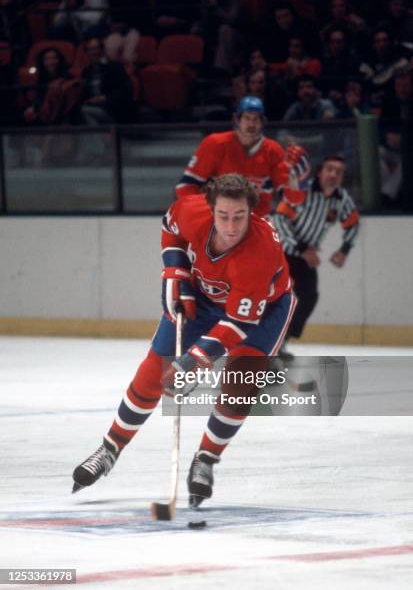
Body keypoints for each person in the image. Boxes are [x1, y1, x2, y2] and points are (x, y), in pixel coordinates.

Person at [72, 174, 296, 506]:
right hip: (204, 298)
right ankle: (110, 448)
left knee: (240, 382)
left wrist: (194, 360)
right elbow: (170, 227)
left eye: (239, 216)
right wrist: (175, 271)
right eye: (223, 216)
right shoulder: (190, 210)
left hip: (263, 313)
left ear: (252, 211)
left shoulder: (260, 252)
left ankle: (206, 458)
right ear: (211, 209)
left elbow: (237, 325)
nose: (231, 226)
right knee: (152, 373)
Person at [274, 154, 360, 358]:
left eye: (339, 172)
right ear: (320, 171)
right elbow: (280, 219)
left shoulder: (341, 199)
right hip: (280, 253)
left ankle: (281, 341)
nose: (334, 175)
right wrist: (302, 247)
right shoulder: (302, 190)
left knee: (309, 298)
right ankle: (262, 343)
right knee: (276, 299)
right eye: (330, 169)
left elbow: (353, 223)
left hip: (305, 258)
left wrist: (344, 250)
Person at [176, 95, 305, 218]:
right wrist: (203, 213)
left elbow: (291, 200)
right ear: (236, 119)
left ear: (263, 121)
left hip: (258, 222)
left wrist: (296, 182)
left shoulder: (274, 151)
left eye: (256, 119)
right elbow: (186, 186)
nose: (251, 124)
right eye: (247, 118)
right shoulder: (214, 144)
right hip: (220, 221)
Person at [80, 36, 134, 123]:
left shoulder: (115, 67)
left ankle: (97, 136)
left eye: (96, 48)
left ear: (102, 50)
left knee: (84, 111)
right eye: (90, 49)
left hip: (111, 107)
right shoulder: (87, 71)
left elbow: (126, 90)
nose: (93, 52)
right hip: (93, 105)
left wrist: (104, 98)